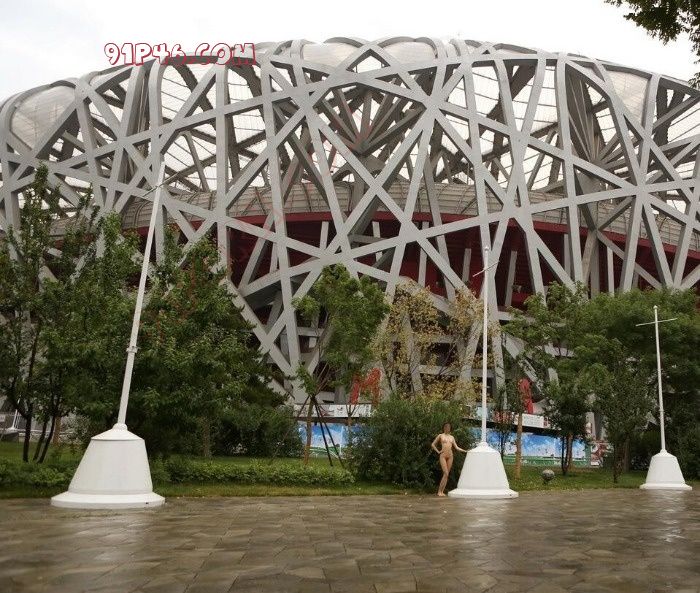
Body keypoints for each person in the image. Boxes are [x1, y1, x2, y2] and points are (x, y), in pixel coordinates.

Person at [431, 422, 467, 496]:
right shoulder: (440, 435)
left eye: (449, 427)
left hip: (450, 456)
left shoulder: (452, 437)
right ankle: (439, 491)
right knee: (446, 473)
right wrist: (438, 451)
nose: (447, 428)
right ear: (444, 427)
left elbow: (456, 447)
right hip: (443, 455)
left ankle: (442, 491)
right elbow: (433, 444)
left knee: (446, 475)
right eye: (446, 427)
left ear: (450, 428)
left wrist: (465, 451)